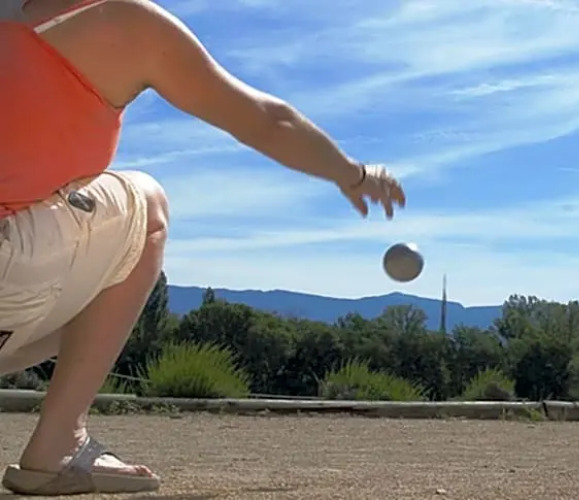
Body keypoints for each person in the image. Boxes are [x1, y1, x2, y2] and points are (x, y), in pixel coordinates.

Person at [0, 0, 407, 495]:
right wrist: (354, 175)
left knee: (84, 303)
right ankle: (59, 443)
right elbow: (266, 121)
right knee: (146, 207)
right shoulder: (119, 22)